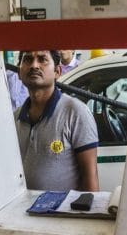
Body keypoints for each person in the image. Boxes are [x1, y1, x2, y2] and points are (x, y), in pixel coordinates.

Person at [15, 50, 99, 192]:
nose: (34, 65)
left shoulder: (75, 112)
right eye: (27, 59)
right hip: (21, 211)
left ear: (57, 72)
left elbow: (90, 179)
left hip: (63, 213)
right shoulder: (15, 117)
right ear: (19, 72)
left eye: (42, 59)